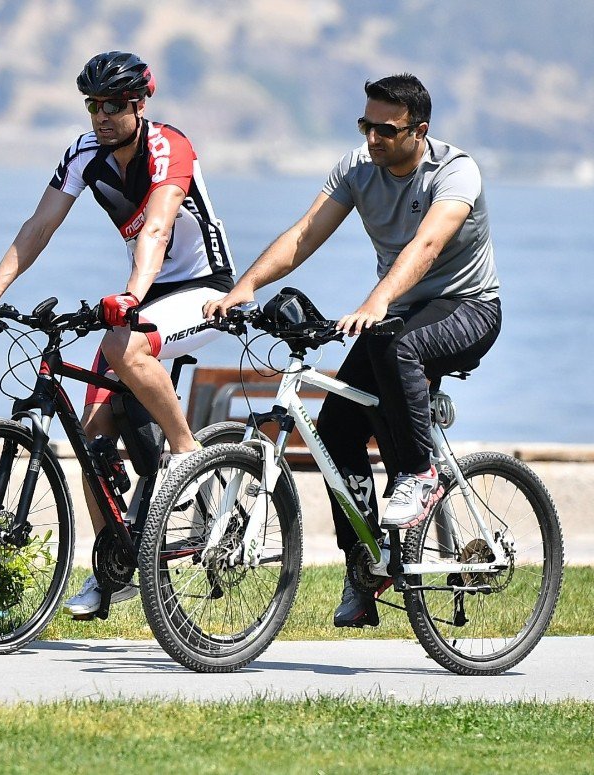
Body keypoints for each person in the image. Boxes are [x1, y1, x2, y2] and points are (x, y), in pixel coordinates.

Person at [204, 73, 501, 628]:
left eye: (385, 129)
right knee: (336, 429)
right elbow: (302, 236)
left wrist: (376, 302)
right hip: (395, 317)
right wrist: (245, 287)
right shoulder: (357, 170)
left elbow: (428, 244)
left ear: (419, 130)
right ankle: (365, 565)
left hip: (468, 308)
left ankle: (419, 474)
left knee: (399, 348)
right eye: (366, 125)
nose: (372, 138)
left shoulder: (455, 171)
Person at [0, 51, 235, 617]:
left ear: (139, 105)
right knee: (92, 437)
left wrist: (132, 295)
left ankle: (186, 452)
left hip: (203, 288)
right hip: (146, 290)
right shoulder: (84, 154)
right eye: (93, 105)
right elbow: (40, 224)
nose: (102, 116)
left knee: (122, 344)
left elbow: (157, 227)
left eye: (113, 105)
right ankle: (114, 568)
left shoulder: (168, 147)